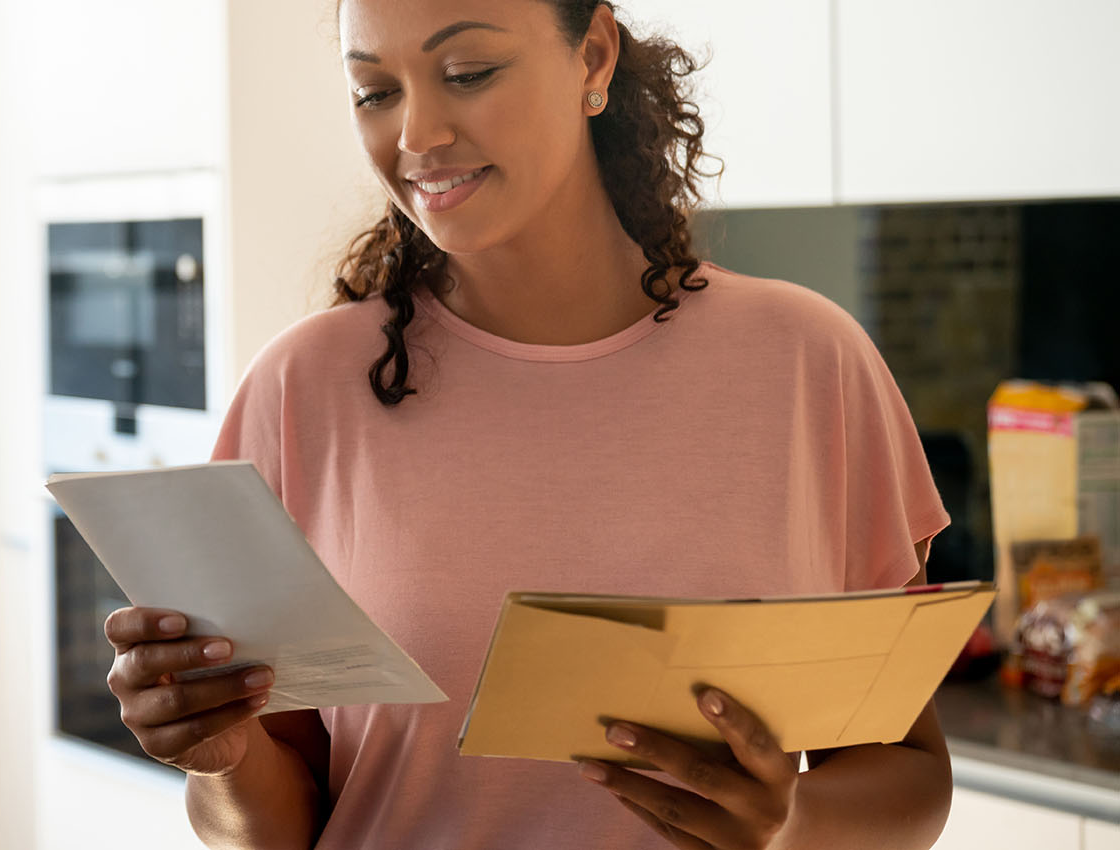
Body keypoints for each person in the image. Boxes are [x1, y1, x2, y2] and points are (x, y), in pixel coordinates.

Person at [102, 0, 955, 848]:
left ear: (591, 57)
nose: (416, 135)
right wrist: (221, 756)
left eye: (467, 74)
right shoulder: (300, 392)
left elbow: (909, 776)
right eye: (373, 92)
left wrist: (787, 823)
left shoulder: (806, 363)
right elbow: (275, 832)